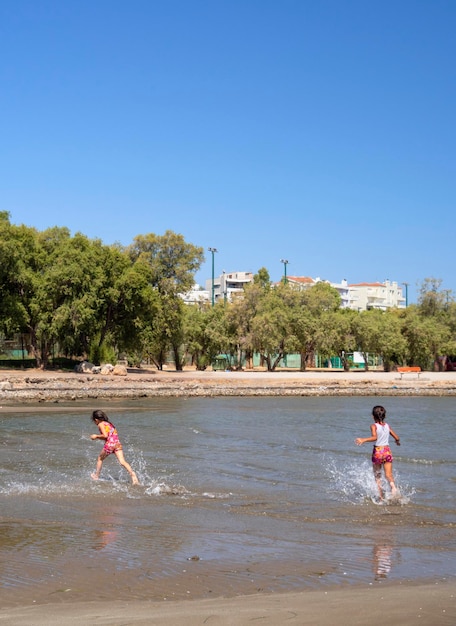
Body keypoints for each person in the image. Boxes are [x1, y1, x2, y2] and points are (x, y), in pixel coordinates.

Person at [355, 405, 400, 501]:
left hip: (378, 452)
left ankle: (381, 498)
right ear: (384, 416)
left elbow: (375, 437)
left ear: (373, 416)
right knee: (388, 475)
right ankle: (393, 487)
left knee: (377, 476)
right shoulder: (387, 426)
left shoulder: (373, 426)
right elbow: (397, 437)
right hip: (387, 451)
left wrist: (363, 439)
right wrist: (397, 441)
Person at [90, 410, 139, 485]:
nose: (95, 423)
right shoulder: (109, 424)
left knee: (100, 459)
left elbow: (105, 436)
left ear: (96, 420)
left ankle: (96, 476)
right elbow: (110, 435)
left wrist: (96, 436)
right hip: (117, 444)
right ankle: (133, 475)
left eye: (94, 421)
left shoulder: (101, 424)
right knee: (122, 462)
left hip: (110, 444)